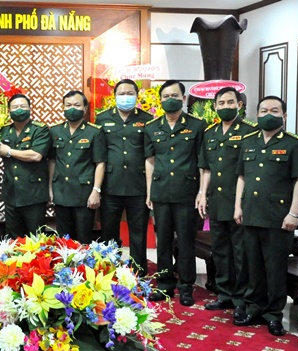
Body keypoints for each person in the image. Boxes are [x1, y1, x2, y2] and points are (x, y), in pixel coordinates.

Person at [233, 95, 298, 336]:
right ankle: (254, 307)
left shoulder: (295, 144)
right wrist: (238, 206)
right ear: (256, 115)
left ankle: (274, 314)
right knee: (252, 266)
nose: (268, 114)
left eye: (274, 110)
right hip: (252, 214)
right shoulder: (248, 141)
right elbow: (242, 177)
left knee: (275, 268)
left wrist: (293, 214)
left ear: (284, 116)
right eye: (264, 110)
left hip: (279, 218)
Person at [144, 80, 206, 306]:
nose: (170, 99)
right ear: (160, 100)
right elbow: (150, 161)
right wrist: (149, 191)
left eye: (175, 95)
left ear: (183, 98)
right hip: (161, 192)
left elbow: (202, 161)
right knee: (164, 242)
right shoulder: (152, 127)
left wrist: (201, 191)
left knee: (187, 241)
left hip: (186, 192)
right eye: (166, 96)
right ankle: (164, 284)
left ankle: (187, 286)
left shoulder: (197, 126)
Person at [197, 87, 257, 319]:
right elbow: (206, 168)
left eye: (230, 102)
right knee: (220, 250)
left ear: (240, 105)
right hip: (218, 201)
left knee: (240, 252)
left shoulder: (250, 133)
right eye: (221, 103)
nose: (225, 107)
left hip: (240, 202)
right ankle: (225, 293)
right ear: (215, 106)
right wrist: (202, 194)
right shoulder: (210, 133)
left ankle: (242, 298)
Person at [96, 79, 153, 274]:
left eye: (130, 93)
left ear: (137, 96)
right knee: (109, 232)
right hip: (111, 184)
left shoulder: (146, 119)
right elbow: (99, 154)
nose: (125, 97)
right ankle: (109, 270)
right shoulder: (102, 118)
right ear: (114, 96)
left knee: (138, 232)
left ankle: (138, 271)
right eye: (122, 93)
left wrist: (149, 190)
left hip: (138, 185)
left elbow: (149, 155)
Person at [0, 94, 51, 238]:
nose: (19, 110)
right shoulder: (3, 130)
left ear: (30, 109)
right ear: (9, 111)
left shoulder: (40, 129)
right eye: (15, 107)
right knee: (13, 239)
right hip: (12, 194)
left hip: (34, 195)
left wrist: (9, 152)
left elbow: (36, 155)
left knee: (36, 239)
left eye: (23, 106)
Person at [49, 90, 106, 243]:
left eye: (76, 105)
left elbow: (100, 163)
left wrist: (96, 190)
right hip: (61, 192)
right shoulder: (55, 131)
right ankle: (65, 267)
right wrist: (50, 188)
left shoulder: (94, 132)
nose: (72, 108)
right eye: (68, 105)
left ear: (85, 109)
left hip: (84, 194)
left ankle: (83, 267)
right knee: (63, 240)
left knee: (83, 239)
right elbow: (52, 161)